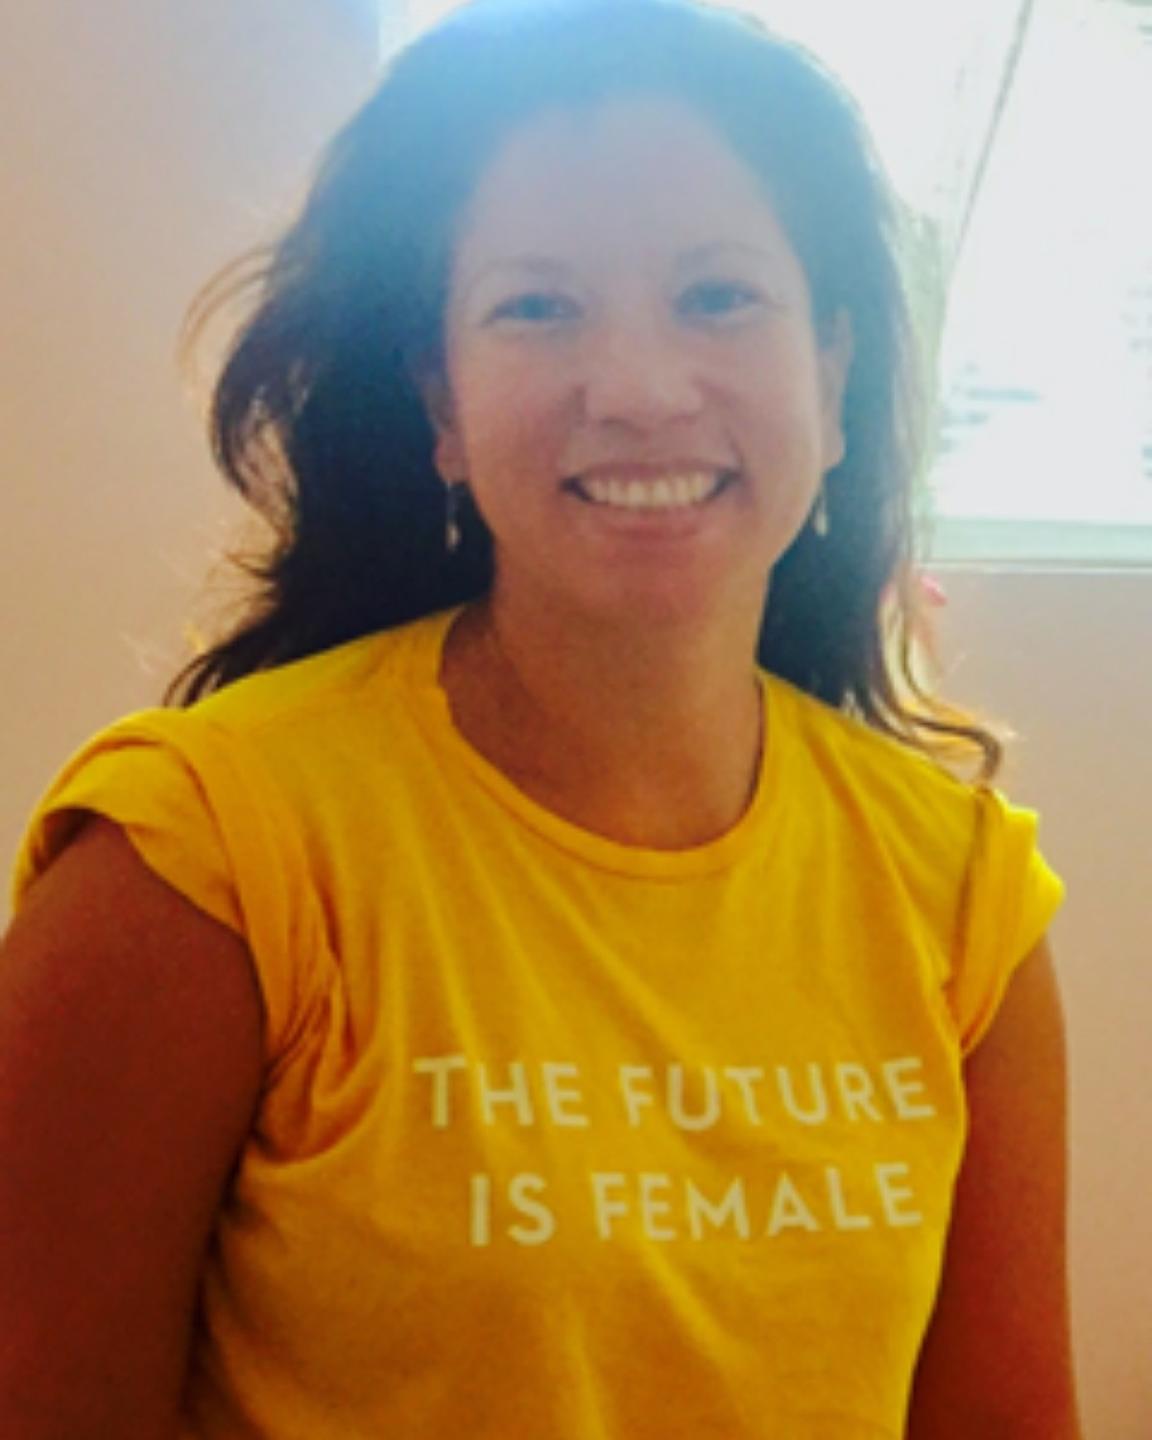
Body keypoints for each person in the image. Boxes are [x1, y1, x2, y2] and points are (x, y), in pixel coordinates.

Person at [0, 1, 1082, 1435]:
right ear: (441, 403)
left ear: (832, 378)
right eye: (536, 307)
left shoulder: (960, 896)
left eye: (719, 297)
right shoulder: (202, 860)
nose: (638, 390)